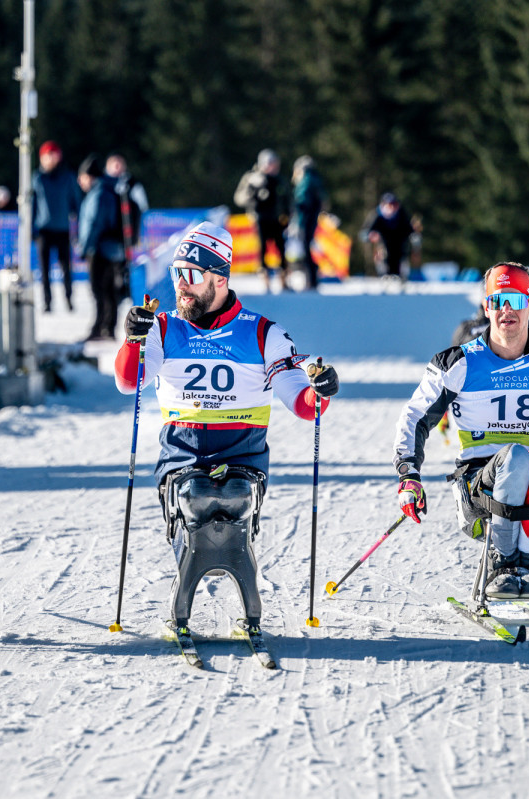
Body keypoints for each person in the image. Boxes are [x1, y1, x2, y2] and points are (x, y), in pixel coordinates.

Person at [114, 221, 340, 633]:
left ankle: (246, 601)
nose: (180, 285)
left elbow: (305, 406)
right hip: (182, 461)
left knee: (231, 494)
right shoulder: (164, 328)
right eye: (175, 274)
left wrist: (319, 390)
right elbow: (129, 381)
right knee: (193, 496)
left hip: (243, 462)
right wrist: (133, 340)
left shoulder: (262, 333)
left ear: (219, 278)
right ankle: (187, 597)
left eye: (190, 275)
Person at [392, 262, 529, 602]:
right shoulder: (458, 363)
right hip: (477, 486)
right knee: (516, 456)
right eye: (497, 300)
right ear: (486, 308)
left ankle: (527, 560)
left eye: (515, 299)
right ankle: (502, 561)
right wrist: (409, 474)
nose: (506, 309)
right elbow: (415, 417)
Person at [77, 154, 124, 341]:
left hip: (99, 249)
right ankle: (107, 327)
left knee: (100, 290)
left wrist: (85, 247)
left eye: (82, 177)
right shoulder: (107, 191)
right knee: (108, 290)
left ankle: (101, 328)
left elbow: (93, 224)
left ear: (90, 177)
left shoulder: (98, 194)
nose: (80, 182)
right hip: (110, 249)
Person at [32, 140, 82, 313]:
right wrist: (32, 229)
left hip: (62, 229)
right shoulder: (37, 178)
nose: (51, 159)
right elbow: (32, 204)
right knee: (44, 270)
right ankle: (47, 301)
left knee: (66, 268)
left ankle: (69, 299)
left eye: (54, 155)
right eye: (48, 155)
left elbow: (76, 202)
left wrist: (79, 225)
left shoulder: (67, 176)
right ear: (42, 158)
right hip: (44, 230)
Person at [234, 149, 290, 292]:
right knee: (262, 250)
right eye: (271, 163)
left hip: (277, 220)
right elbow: (239, 198)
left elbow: (287, 199)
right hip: (260, 218)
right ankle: (266, 281)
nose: (274, 166)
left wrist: (288, 215)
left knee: (281, 249)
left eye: (275, 163)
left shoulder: (279, 180)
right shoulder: (252, 178)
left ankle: (284, 280)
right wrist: (254, 195)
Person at [361, 193, 414, 283]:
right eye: (389, 205)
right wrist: (371, 235)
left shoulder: (402, 214)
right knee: (383, 254)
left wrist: (413, 235)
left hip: (399, 246)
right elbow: (363, 234)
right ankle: (384, 276)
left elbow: (410, 230)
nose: (392, 208)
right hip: (383, 246)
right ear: (383, 205)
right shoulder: (376, 216)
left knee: (400, 255)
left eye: (394, 204)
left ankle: (401, 277)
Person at [291, 155, 326, 290]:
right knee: (308, 249)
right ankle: (312, 279)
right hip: (312, 219)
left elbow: (302, 202)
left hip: (306, 221)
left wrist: (297, 221)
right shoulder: (316, 179)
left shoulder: (306, 180)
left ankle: (311, 280)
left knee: (306, 250)